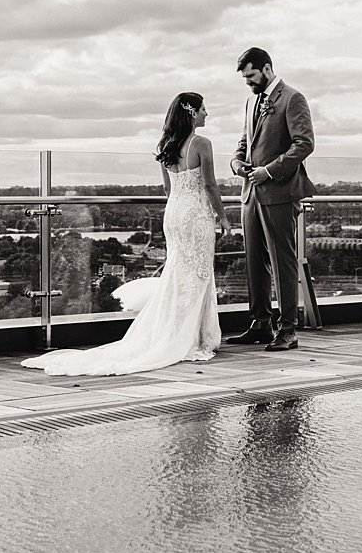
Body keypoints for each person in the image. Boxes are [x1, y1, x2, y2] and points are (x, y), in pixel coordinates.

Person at [22, 91, 227, 375]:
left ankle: (181, 332)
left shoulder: (167, 144)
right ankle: (195, 337)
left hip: (174, 213)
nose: (207, 114)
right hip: (196, 215)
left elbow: (168, 190)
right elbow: (210, 186)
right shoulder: (201, 143)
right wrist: (224, 218)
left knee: (178, 273)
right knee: (199, 273)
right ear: (192, 112)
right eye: (204, 109)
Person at [228, 47, 317, 351]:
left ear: (266, 69)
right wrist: (236, 163)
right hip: (250, 192)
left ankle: (288, 331)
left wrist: (269, 171)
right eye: (245, 78)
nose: (248, 82)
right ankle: (260, 324)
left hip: (279, 191)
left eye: (251, 75)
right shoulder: (252, 101)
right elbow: (245, 142)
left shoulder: (292, 98)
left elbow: (304, 144)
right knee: (254, 261)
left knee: (283, 262)